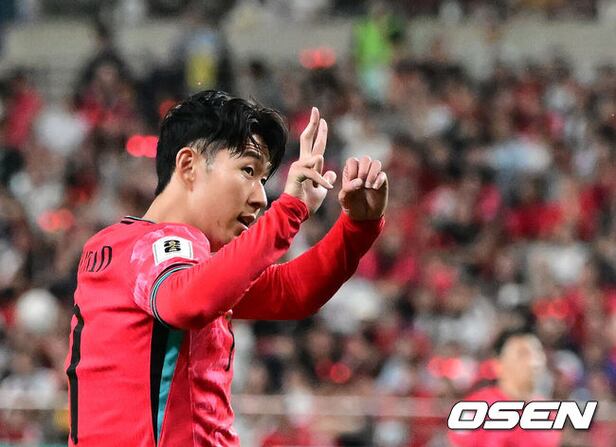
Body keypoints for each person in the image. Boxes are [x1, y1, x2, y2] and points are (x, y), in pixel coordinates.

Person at [64, 90, 388, 446]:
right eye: (248, 170)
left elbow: (292, 291)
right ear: (188, 166)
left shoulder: (147, 254)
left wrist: (357, 227)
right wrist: (289, 210)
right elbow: (187, 302)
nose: (261, 198)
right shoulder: (152, 246)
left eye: (263, 180)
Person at [448, 328, 561, 447]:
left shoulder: (548, 413)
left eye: (537, 353)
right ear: (498, 365)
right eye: (522, 354)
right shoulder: (475, 409)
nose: (533, 362)